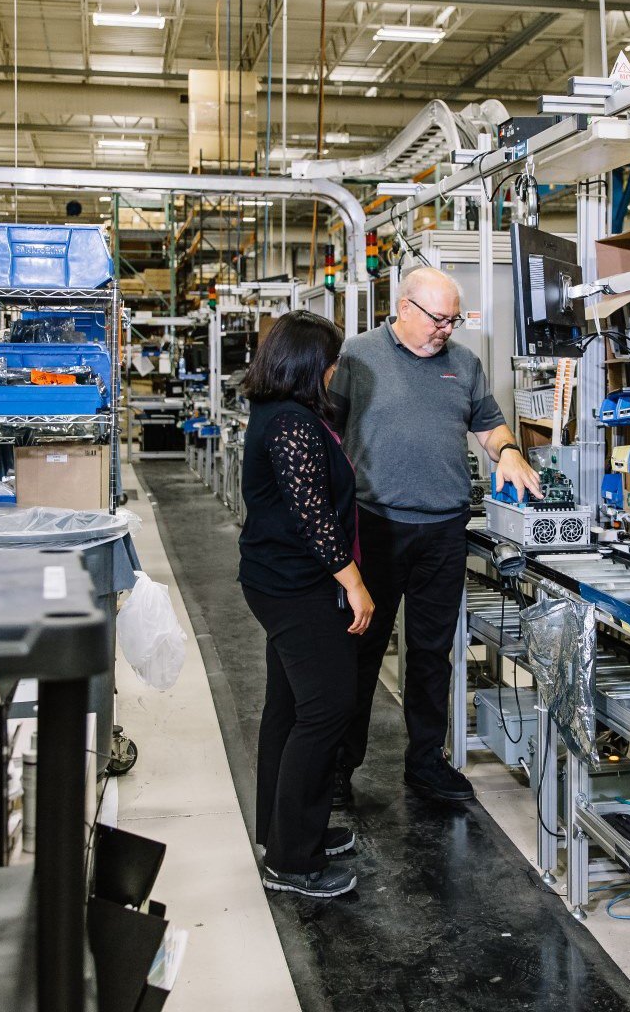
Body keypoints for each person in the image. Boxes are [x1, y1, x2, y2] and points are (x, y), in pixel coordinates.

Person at [328, 267, 542, 805]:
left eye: (454, 320)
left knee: (431, 655)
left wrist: (509, 452)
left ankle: (425, 763)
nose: (447, 329)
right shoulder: (357, 356)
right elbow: (328, 429)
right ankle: (336, 768)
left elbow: (490, 424)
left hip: (443, 531)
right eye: (438, 319)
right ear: (404, 308)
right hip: (374, 527)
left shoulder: (463, 364)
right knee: (360, 652)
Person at [238, 310, 375, 898]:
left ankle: (286, 828)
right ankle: (292, 861)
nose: (334, 369)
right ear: (308, 364)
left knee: (289, 707)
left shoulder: (274, 411)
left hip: (275, 578)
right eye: (330, 360)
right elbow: (313, 517)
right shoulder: (292, 424)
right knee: (327, 708)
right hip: (297, 585)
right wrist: (354, 582)